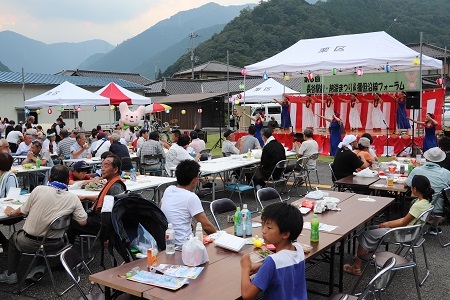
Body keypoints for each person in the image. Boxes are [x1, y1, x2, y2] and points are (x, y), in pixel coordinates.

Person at [1, 165, 87, 283]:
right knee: (44, 235)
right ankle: (39, 266)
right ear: (68, 180)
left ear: (49, 179)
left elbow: (21, 211)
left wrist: (10, 212)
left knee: (13, 238)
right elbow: (83, 222)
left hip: (31, 243)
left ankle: (11, 274)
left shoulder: (39, 189)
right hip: (57, 243)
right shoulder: (73, 198)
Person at [343, 175, 433, 276]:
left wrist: (387, 224)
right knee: (373, 228)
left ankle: (356, 267)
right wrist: (388, 224)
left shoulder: (417, 205)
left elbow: (403, 222)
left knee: (366, 234)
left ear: (415, 189)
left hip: (403, 234)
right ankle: (366, 255)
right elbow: (405, 219)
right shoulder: (425, 203)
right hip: (410, 232)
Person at [240, 202, 307, 300]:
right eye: (263, 225)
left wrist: (245, 268)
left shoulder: (272, 261)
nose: (263, 231)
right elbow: (284, 264)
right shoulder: (299, 249)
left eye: (269, 227)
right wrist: (262, 266)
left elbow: (247, 295)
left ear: (285, 234)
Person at [67, 154, 125, 243]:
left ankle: (68, 251)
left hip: (101, 222)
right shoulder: (111, 182)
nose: (102, 169)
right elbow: (105, 199)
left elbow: (116, 210)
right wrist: (86, 197)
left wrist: (107, 234)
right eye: (102, 166)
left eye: (106, 166)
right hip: (98, 218)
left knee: (70, 221)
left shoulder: (116, 187)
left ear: (115, 169)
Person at [160, 160, 217, 246]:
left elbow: (163, 208)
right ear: (194, 180)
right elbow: (206, 226)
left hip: (168, 243)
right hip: (184, 245)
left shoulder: (169, 190)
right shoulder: (191, 197)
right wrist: (219, 236)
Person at [404, 147, 450, 220]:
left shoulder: (417, 170)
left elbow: (406, 184)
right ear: (441, 160)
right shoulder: (447, 173)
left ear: (426, 159)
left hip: (421, 210)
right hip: (441, 209)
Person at [0, 152, 18, 252]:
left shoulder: (10, 177)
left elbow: (12, 199)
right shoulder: (1, 176)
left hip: (10, 211)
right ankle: (4, 242)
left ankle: (5, 242)